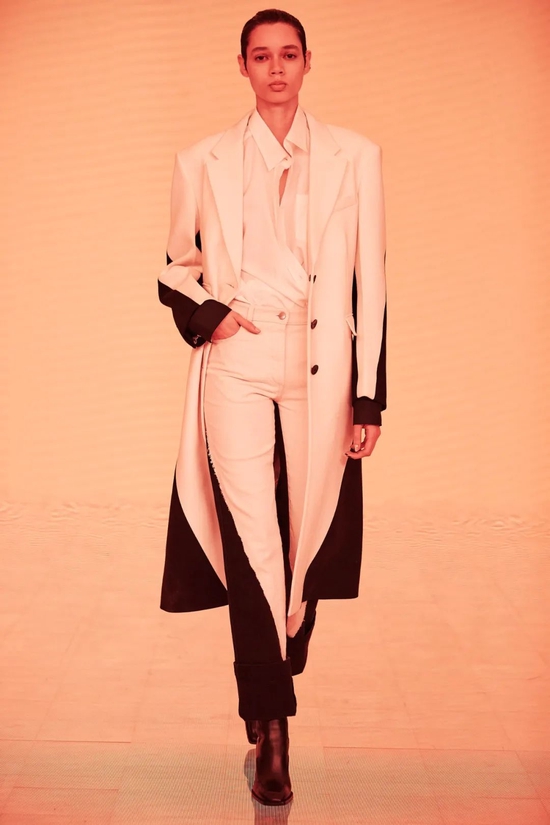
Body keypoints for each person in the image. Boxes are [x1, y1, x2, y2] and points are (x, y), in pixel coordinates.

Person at [157, 8, 387, 807]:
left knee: (303, 546)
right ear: (243, 67)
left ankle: (280, 658)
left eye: (289, 54)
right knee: (252, 541)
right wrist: (210, 313)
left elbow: (370, 280)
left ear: (308, 62)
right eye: (262, 56)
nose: (277, 68)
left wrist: (369, 396)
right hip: (239, 359)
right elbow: (174, 265)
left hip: (324, 364)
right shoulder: (203, 159)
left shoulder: (356, 156)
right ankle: (272, 732)